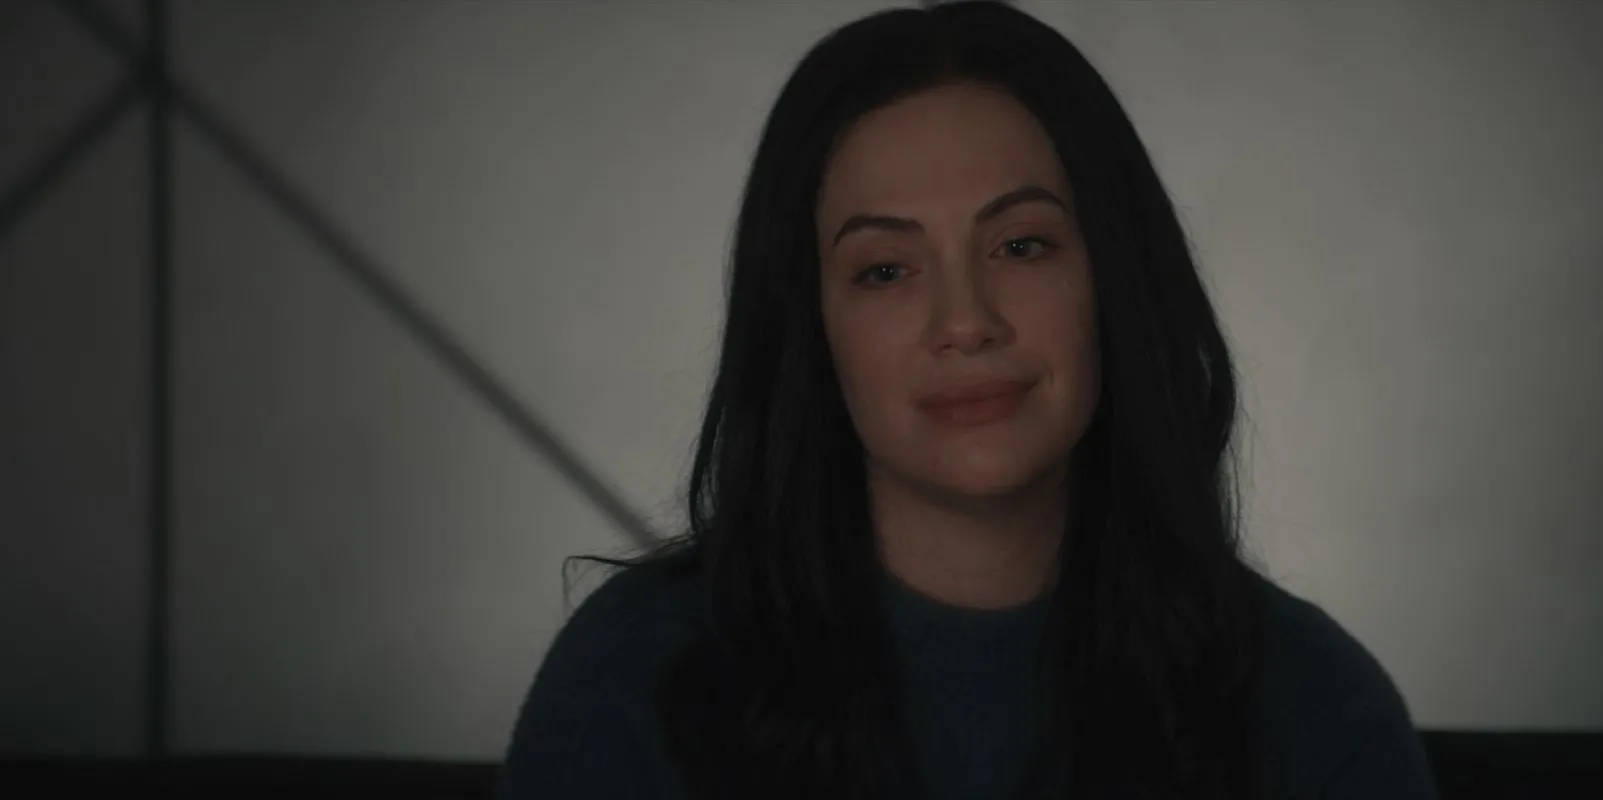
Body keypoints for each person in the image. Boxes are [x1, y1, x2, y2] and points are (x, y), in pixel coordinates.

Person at [498, 2, 1435, 798]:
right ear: (810, 329)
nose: (965, 322)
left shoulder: (1316, 706)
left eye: (1021, 247)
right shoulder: (637, 681)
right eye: (886, 269)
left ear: (1113, 278)